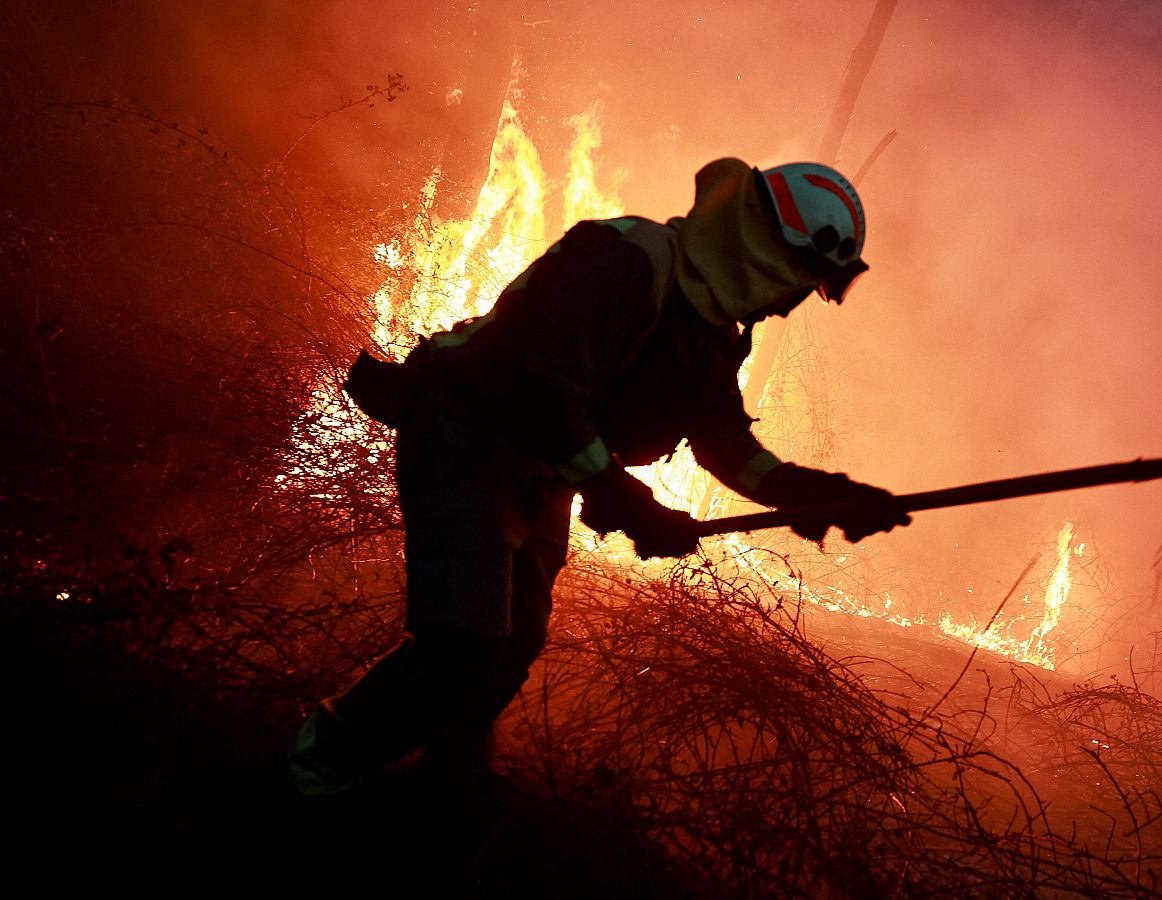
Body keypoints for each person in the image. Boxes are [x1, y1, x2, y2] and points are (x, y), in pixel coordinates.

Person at [288, 158, 910, 795]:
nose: (789, 305)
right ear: (767, 252)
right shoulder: (631, 259)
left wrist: (808, 492)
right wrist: (622, 498)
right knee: (463, 641)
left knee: (511, 649)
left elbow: (720, 437)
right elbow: (544, 396)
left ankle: (437, 788)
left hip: (542, 469)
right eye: (804, 278)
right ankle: (306, 770)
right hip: (467, 435)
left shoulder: (716, 329)